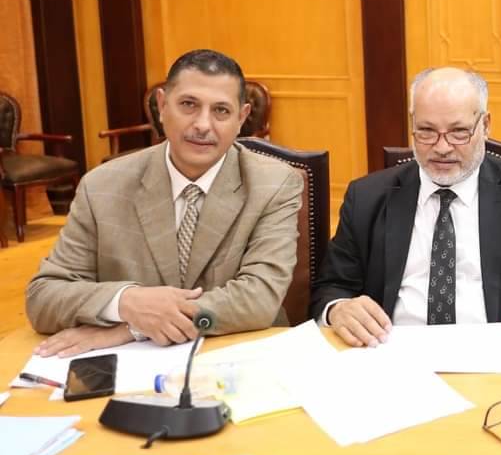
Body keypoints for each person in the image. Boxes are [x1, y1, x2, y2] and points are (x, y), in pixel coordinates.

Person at [26, 49, 303, 357]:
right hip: (131, 367)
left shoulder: (273, 183)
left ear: (241, 118)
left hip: (238, 354)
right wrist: (127, 302)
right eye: (188, 104)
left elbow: (259, 299)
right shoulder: (102, 186)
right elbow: (44, 297)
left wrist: (134, 327)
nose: (203, 124)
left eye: (221, 111)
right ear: (162, 106)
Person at [311, 67, 501, 346]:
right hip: (394, 352)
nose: (442, 147)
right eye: (426, 131)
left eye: (459, 132)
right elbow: (331, 288)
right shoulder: (367, 197)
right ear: (412, 124)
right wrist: (338, 309)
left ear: (485, 125)